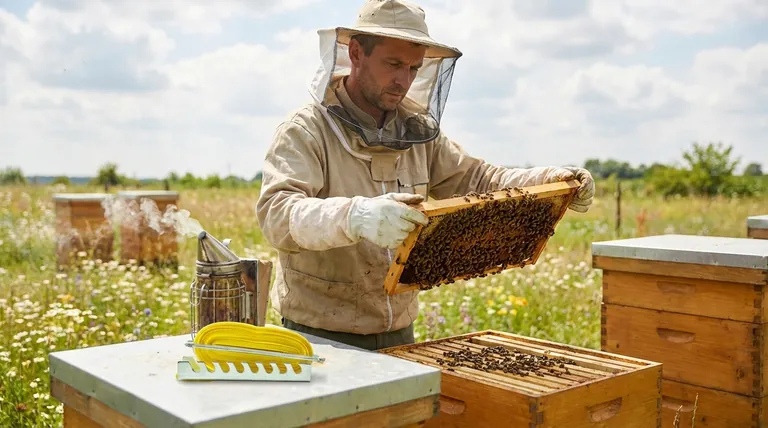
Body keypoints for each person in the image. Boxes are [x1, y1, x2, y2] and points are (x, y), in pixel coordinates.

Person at [255, 0, 595, 351]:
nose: (403, 80)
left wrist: (551, 180)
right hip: (319, 335)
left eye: (414, 68)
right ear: (356, 53)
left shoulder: (415, 131)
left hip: (400, 331)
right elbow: (277, 215)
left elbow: (479, 180)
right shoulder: (305, 130)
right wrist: (355, 217)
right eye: (393, 64)